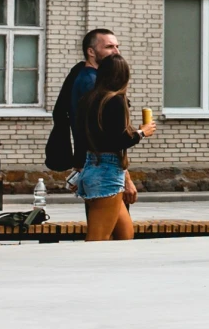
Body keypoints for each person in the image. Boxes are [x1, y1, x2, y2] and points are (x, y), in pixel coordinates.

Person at [74, 54, 143, 241]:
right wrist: (141, 133)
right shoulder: (115, 100)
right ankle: (85, 270)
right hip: (107, 171)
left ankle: (117, 269)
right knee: (98, 238)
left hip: (92, 166)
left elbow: (82, 136)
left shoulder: (88, 99)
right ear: (123, 76)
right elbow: (118, 140)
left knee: (125, 234)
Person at [47, 27, 118, 175]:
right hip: (99, 164)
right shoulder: (90, 83)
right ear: (91, 52)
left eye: (117, 47)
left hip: (90, 162)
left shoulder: (84, 75)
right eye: (109, 47)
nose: (116, 52)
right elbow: (101, 132)